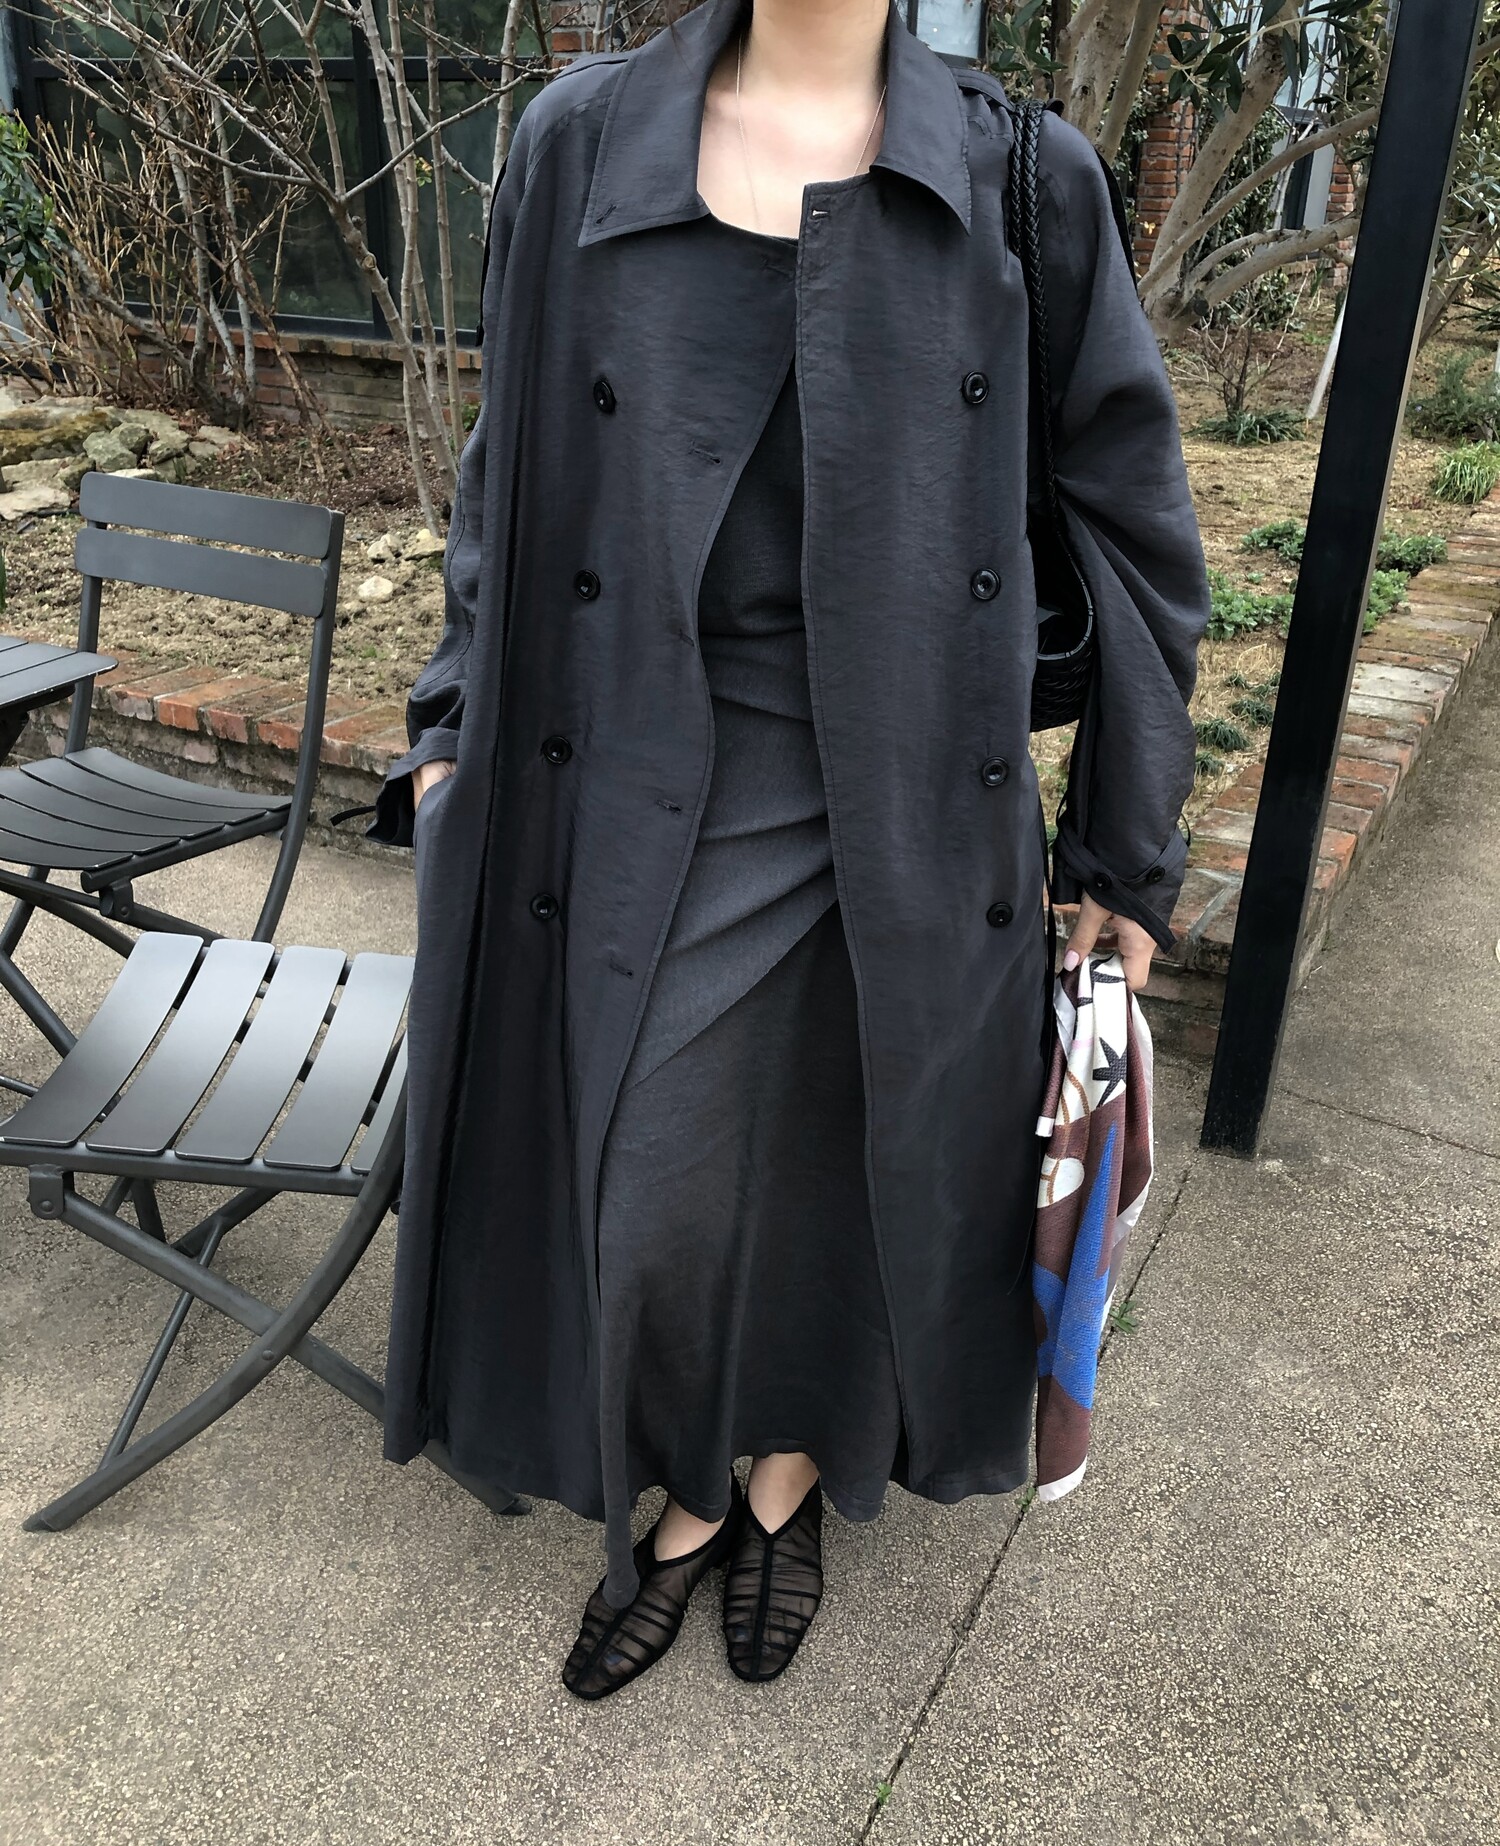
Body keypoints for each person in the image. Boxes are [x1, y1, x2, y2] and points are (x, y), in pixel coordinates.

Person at [368, 0, 1208, 1701]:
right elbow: (505, 463)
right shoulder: (581, 142)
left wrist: (1124, 851)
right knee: (652, 1175)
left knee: (855, 1167)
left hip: (914, 787)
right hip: (638, 764)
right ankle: (683, 1481)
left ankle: (778, 1488)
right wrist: (452, 726)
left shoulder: (1022, 176)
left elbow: (1132, 517)